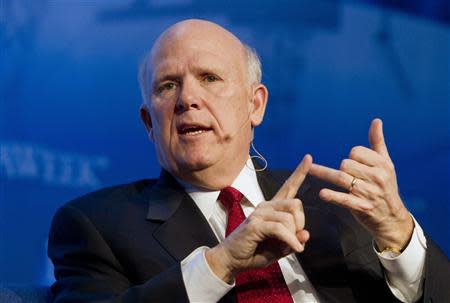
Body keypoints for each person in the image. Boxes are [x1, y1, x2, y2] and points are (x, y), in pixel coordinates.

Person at [48, 19, 449, 303]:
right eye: (168, 85)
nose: (187, 99)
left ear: (254, 105)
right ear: (148, 122)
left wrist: (400, 235)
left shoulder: (332, 201)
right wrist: (220, 263)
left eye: (209, 78)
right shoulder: (95, 225)